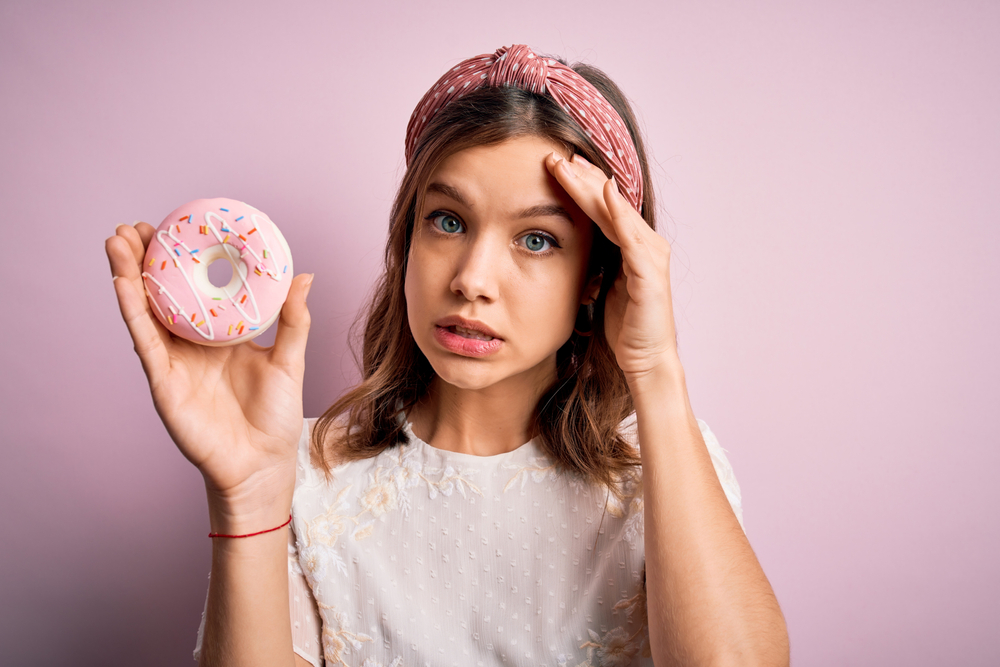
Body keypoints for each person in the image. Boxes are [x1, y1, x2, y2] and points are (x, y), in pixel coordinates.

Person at [106, 44, 788, 666]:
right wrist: (248, 495)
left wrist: (656, 371)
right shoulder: (304, 470)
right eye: (449, 221)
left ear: (599, 277)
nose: (471, 279)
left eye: (538, 239)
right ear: (408, 237)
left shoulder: (663, 464)